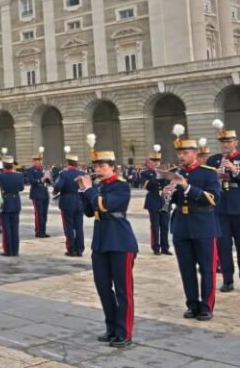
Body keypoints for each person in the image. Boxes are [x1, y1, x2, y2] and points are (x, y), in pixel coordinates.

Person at [77, 149, 138, 348]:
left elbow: (105, 206)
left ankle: (124, 332)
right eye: (96, 166)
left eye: (103, 166)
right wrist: (82, 191)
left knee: (123, 290)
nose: (98, 170)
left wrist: (89, 191)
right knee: (103, 288)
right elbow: (88, 211)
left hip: (120, 241)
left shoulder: (121, 186)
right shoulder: (99, 187)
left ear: (113, 167)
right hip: (101, 242)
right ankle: (111, 328)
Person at [168, 136, 221, 320]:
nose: (181, 156)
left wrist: (187, 187)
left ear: (195, 153)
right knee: (186, 268)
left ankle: (206, 306)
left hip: (203, 225)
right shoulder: (174, 172)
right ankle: (192, 304)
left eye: (185, 152)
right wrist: (167, 193)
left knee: (207, 268)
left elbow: (214, 198)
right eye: (179, 153)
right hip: (181, 225)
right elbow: (171, 201)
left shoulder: (208, 173)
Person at [208, 127, 239, 292]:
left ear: (236, 142)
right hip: (220, 210)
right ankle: (228, 280)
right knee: (223, 246)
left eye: (228, 142)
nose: (225, 145)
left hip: (238, 208)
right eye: (223, 142)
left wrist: (235, 171)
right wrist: (215, 175)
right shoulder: (213, 160)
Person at [55, 150, 86, 257]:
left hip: (67, 201)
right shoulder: (83, 174)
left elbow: (57, 187)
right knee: (79, 227)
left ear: (68, 163)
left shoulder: (64, 174)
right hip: (79, 201)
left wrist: (55, 191)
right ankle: (80, 249)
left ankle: (71, 249)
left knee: (69, 226)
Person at [140, 148, 171, 255]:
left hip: (164, 201)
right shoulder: (145, 173)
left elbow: (169, 184)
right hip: (153, 200)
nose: (156, 163)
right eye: (154, 161)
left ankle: (165, 247)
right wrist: (157, 176)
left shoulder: (165, 172)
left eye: (158, 161)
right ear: (150, 163)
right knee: (155, 226)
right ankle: (156, 247)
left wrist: (165, 174)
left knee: (165, 225)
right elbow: (146, 186)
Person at [0, 155, 23, 257]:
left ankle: (8, 251)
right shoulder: (19, 175)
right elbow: (21, 188)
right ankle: (15, 251)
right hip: (15, 202)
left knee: (6, 228)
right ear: (12, 165)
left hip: (5, 203)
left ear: (4, 165)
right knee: (15, 228)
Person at [27, 152, 50, 238]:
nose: (40, 162)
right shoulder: (31, 170)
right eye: (38, 161)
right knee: (39, 214)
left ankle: (43, 231)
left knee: (44, 214)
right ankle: (39, 232)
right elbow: (32, 181)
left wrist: (49, 179)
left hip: (44, 194)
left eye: (40, 161)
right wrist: (42, 179)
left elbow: (49, 182)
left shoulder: (42, 170)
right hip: (37, 194)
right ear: (34, 162)